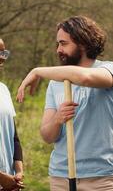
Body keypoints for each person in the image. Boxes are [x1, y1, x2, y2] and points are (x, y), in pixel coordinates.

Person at [17, 15, 113, 191]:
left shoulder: (107, 69)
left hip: (102, 178)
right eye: (57, 44)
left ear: (83, 43)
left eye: (63, 43)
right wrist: (58, 119)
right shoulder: (56, 83)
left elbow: (85, 78)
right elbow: (47, 136)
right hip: (61, 176)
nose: (58, 49)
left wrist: (38, 71)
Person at [0, 38, 24, 191]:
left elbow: (13, 137)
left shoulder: (3, 90)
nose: (2, 57)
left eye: (3, 52)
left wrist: (19, 171)